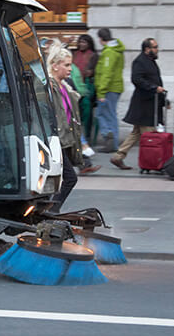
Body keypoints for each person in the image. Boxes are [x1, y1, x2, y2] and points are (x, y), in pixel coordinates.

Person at [47, 39, 100, 214]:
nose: (70, 69)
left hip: (65, 140)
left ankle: (49, 210)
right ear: (55, 66)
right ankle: (51, 211)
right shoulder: (48, 87)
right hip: (55, 140)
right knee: (69, 178)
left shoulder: (64, 87)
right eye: (67, 65)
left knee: (58, 179)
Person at [110, 38, 167, 170]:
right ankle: (153, 163)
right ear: (147, 49)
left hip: (149, 104)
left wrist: (164, 100)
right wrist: (154, 88)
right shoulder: (140, 61)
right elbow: (137, 80)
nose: (157, 49)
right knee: (150, 137)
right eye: (155, 47)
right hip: (144, 105)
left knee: (135, 133)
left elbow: (155, 82)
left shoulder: (150, 61)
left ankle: (118, 157)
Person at [94, 28, 125, 153]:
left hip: (109, 89)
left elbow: (106, 73)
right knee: (110, 114)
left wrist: (101, 92)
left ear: (101, 39)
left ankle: (109, 137)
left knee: (103, 114)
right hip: (114, 88)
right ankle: (113, 142)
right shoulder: (116, 50)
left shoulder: (109, 52)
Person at [73, 34, 99, 140]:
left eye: (84, 42)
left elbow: (95, 71)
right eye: (80, 42)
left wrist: (91, 73)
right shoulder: (74, 54)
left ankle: (87, 136)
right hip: (74, 87)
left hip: (87, 89)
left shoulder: (93, 55)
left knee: (87, 114)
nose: (81, 44)